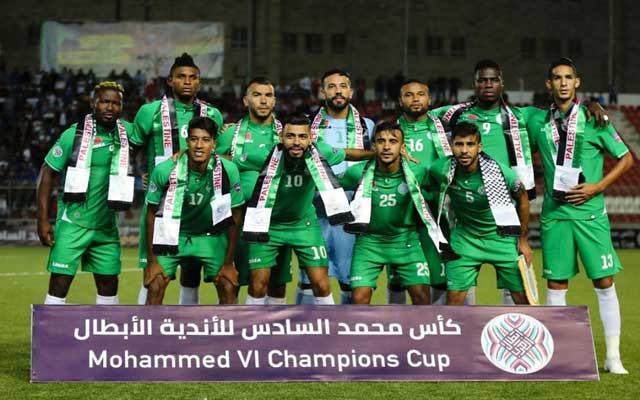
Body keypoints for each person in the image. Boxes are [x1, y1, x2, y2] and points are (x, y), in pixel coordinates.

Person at [431, 59, 608, 305]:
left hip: (508, 216)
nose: (488, 85)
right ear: (474, 84)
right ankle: (462, 327)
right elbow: (419, 116)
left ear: (502, 84)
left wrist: (588, 104)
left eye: (494, 80)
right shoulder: (455, 115)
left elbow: (564, 112)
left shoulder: (523, 117)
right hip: (466, 213)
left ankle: (510, 328)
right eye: (483, 80)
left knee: (514, 286)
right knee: (462, 282)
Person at [528, 58, 633, 374]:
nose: (562, 82)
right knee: (556, 284)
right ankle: (559, 357)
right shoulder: (537, 121)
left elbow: (626, 159)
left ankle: (613, 357)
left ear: (577, 82)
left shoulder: (593, 118)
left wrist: (597, 187)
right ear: (548, 84)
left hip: (590, 216)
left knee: (604, 282)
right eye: (556, 78)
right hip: (555, 215)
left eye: (568, 77)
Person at [130, 53, 225, 305]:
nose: (187, 81)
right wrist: (140, 173)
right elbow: (131, 149)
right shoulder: (149, 112)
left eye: (192, 77)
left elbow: (221, 153)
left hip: (199, 204)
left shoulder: (213, 114)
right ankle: (144, 325)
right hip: (162, 204)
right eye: (181, 77)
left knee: (191, 273)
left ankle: (187, 325)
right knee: (153, 273)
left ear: (199, 82)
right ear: (170, 81)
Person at [37, 81, 135, 305]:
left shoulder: (128, 132)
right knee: (60, 283)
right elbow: (47, 173)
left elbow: (156, 142)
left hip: (106, 227)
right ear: (93, 103)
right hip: (73, 223)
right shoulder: (73, 135)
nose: (110, 107)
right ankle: (51, 328)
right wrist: (42, 220)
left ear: (121, 107)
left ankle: (107, 328)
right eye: (104, 102)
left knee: (109, 285)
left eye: (115, 103)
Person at [243, 115, 355, 305]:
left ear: (310, 138)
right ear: (281, 137)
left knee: (322, 285)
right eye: (290, 136)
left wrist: (378, 154)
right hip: (268, 225)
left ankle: (329, 324)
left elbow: (350, 153)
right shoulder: (263, 154)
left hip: (304, 225)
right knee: (258, 286)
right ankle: (253, 324)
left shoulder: (321, 152)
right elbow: (232, 160)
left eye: (302, 136)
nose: (296, 142)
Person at [427, 122, 532, 306]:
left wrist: (522, 240)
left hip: (500, 238)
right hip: (465, 239)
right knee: (453, 300)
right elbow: (427, 189)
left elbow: (523, 198)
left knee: (522, 300)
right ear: (452, 146)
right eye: (459, 144)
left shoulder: (500, 172)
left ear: (479, 147)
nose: (464, 150)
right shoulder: (441, 168)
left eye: (470, 144)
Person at [144, 116, 243, 305]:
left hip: (210, 237)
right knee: (155, 284)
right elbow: (150, 215)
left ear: (214, 143)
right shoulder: (165, 170)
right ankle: (151, 325)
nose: (199, 145)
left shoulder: (228, 170)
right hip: (173, 236)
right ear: (187, 141)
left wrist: (228, 263)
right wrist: (152, 261)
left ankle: (229, 326)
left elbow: (236, 215)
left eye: (205, 140)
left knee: (228, 285)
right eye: (194, 139)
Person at [297, 68, 375, 305]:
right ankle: (304, 327)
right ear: (322, 92)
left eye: (343, 86)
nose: (338, 91)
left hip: (349, 217)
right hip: (314, 214)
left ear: (351, 92)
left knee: (349, 280)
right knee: (309, 280)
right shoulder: (305, 125)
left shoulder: (368, 126)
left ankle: (344, 327)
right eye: (331, 86)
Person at [340, 121, 439, 305]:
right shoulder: (357, 173)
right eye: (381, 141)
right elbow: (327, 184)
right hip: (369, 243)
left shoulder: (417, 172)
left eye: (393, 142)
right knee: (358, 298)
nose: (386, 147)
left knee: (422, 298)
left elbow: (439, 188)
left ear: (402, 147)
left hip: (405, 241)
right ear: (373, 146)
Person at [216, 76, 292, 304]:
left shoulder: (287, 134)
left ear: (275, 101)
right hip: (238, 220)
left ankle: (276, 325)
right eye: (257, 95)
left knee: (277, 283)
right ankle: (233, 324)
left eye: (268, 95)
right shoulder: (230, 134)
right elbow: (211, 163)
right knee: (233, 280)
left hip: (276, 219)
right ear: (245, 100)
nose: (263, 100)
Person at [394, 79, 454, 305]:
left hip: (434, 213)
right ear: (400, 101)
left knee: (440, 279)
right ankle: (395, 324)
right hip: (401, 215)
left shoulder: (444, 132)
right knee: (397, 280)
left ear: (429, 100)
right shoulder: (391, 132)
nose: (415, 99)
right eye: (409, 95)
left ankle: (435, 323)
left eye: (420, 94)